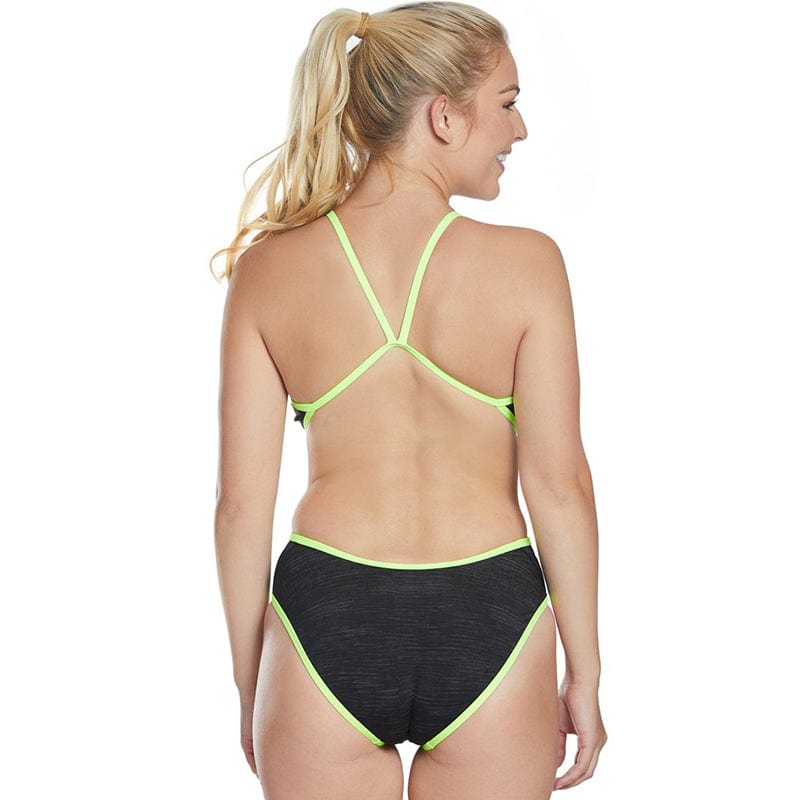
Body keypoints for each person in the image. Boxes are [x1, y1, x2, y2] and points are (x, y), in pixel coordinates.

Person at [212, 2, 606, 797]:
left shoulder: (268, 271)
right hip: (491, 616)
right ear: (444, 117)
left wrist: (254, 682)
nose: (520, 129)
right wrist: (586, 672)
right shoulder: (529, 266)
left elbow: (239, 507)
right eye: (507, 103)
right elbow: (559, 485)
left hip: (325, 619)